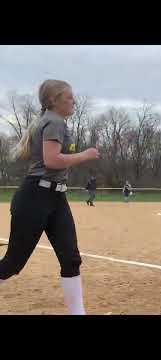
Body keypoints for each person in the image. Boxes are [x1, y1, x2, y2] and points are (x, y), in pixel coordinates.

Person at [0, 79, 100, 315]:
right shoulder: (54, 121)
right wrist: (85, 155)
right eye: (69, 97)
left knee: (71, 259)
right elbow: (52, 160)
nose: (73, 101)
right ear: (54, 101)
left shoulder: (53, 121)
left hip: (55, 198)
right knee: (13, 263)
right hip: (36, 197)